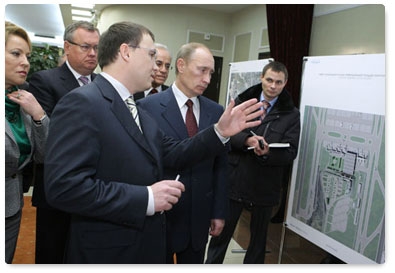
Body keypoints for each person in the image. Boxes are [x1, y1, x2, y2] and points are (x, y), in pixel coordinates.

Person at [43, 21, 263, 264]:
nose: (158, 67)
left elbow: (176, 153)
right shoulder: (82, 103)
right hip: (108, 252)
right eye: (151, 55)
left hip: (142, 247)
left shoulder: (138, 112)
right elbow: (64, 188)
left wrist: (220, 131)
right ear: (126, 52)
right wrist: (146, 198)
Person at [138, 42, 228, 264]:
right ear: (181, 65)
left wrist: (218, 211)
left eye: (211, 73)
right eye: (202, 70)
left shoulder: (216, 111)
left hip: (199, 219)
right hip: (161, 217)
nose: (207, 79)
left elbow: (221, 166)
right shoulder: (147, 107)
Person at [205, 61, 301, 264]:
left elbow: (291, 152)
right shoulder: (242, 102)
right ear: (261, 78)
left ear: (285, 83)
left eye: (278, 82)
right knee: (221, 237)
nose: (273, 86)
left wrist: (267, 153)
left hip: (265, 185)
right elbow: (224, 135)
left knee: (258, 242)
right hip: (235, 180)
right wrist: (247, 140)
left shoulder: (291, 114)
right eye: (269, 80)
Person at [28, 20, 100, 263]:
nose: (92, 53)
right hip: (57, 191)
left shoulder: (102, 84)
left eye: (96, 48)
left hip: (94, 187)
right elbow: (50, 139)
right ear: (67, 47)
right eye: (85, 47)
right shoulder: (45, 81)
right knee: (53, 255)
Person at [5, 21, 48, 264]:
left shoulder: (22, 100)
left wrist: (39, 115)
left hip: (11, 206)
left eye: (27, 56)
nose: (26, 62)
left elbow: (43, 155)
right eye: (16, 53)